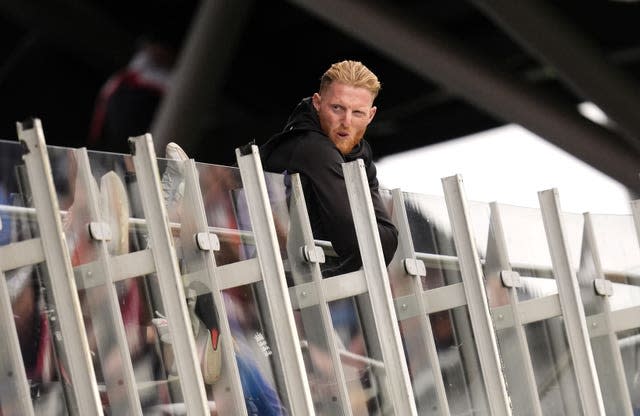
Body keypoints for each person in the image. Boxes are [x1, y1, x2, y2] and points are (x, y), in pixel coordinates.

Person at [260, 59, 398, 276]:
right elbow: (357, 244)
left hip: (303, 279)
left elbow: (386, 243)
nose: (346, 121)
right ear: (317, 103)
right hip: (271, 277)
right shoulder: (311, 148)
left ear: (371, 115)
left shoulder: (360, 153)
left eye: (358, 113)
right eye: (337, 108)